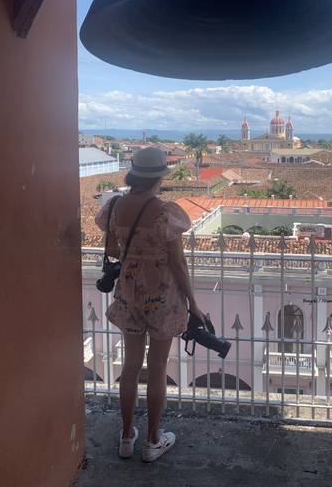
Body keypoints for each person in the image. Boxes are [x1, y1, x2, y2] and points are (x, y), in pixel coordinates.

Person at [95, 146, 206, 462]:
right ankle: (153, 441)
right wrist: (193, 303)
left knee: (130, 367)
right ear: (159, 176)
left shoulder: (114, 207)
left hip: (129, 292)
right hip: (162, 297)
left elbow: (116, 250)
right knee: (157, 367)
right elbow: (179, 264)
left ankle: (127, 435)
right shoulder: (165, 212)